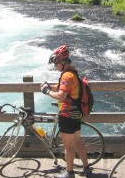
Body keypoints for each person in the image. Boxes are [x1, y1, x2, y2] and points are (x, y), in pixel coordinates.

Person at [40, 45, 92, 178]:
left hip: (67, 115)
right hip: (76, 113)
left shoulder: (66, 76)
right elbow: (62, 88)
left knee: (68, 146)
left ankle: (69, 173)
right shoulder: (72, 73)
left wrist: (47, 91)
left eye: (56, 63)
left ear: (62, 62)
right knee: (78, 141)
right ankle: (86, 168)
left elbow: (61, 96)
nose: (55, 66)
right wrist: (50, 86)